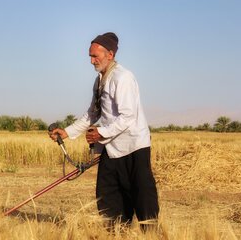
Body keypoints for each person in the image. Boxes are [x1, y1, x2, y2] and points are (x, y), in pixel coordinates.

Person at [49, 32, 159, 230]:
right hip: (112, 147)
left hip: (134, 146)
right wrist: (66, 132)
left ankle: (150, 234)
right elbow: (93, 113)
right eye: (90, 56)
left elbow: (128, 117)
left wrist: (101, 134)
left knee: (142, 196)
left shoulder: (123, 77)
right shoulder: (99, 81)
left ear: (110, 54)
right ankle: (116, 232)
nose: (91, 61)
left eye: (95, 56)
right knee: (108, 195)